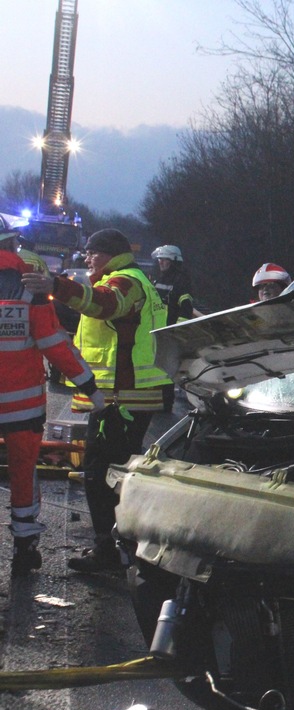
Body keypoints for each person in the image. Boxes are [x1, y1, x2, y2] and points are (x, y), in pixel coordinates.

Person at [21, 228, 173, 573]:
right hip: (125, 397)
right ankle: (123, 547)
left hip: (122, 398)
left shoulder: (125, 281)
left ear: (108, 254)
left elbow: (105, 304)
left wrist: (56, 286)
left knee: (101, 473)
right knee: (115, 473)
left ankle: (112, 550)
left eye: (91, 252)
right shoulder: (134, 279)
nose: (86, 258)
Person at [0, 219, 103, 576]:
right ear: (13, 244)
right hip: (22, 406)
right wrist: (89, 385)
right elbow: (54, 345)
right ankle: (25, 546)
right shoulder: (31, 288)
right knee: (23, 472)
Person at [150, 244, 195, 325]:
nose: (161, 262)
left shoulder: (181, 281)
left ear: (174, 261)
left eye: (165, 259)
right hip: (157, 328)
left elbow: (186, 309)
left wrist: (178, 330)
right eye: (159, 259)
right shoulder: (159, 280)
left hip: (168, 330)